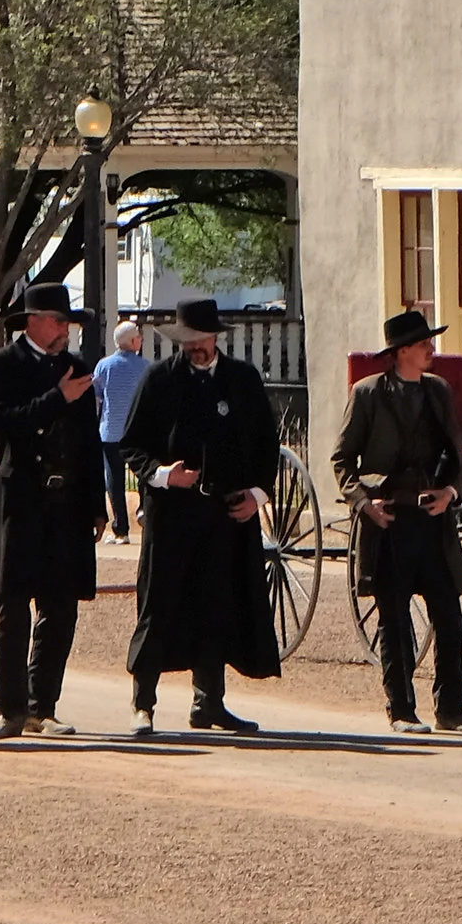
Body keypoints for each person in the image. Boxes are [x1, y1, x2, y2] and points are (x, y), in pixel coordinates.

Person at [125, 298, 282, 736]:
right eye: (187, 341)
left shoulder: (242, 380)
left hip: (227, 514)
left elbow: (267, 446)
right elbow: (132, 445)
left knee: (219, 605)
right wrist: (161, 475)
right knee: (158, 605)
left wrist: (256, 495)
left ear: (215, 337)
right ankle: (143, 704)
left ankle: (209, 702)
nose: (195, 347)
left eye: (201, 339)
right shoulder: (159, 380)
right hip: (172, 515)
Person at [332, 306, 462, 736]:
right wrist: (365, 504)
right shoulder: (366, 395)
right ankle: (401, 711)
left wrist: (451, 492)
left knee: (450, 619)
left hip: (432, 521)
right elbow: (341, 461)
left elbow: (456, 456)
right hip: (390, 520)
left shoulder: (438, 391)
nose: (431, 348)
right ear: (400, 352)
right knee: (394, 621)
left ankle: (451, 710)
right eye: (422, 343)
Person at [0, 278, 104, 740]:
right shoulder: (0, 366)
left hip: (67, 501)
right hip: (20, 500)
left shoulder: (77, 367)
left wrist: (96, 504)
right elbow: (3, 424)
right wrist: (58, 398)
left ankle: (41, 705)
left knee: (60, 606)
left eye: (68, 322)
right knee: (12, 603)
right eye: (59, 321)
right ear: (34, 322)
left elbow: (89, 441)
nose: (65, 329)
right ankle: (8, 708)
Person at [92, 317, 151, 541]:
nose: (141, 340)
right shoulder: (146, 367)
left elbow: (97, 398)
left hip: (110, 431)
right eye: (138, 337)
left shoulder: (104, 366)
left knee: (114, 480)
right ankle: (143, 508)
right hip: (139, 432)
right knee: (144, 473)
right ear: (132, 341)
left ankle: (121, 529)